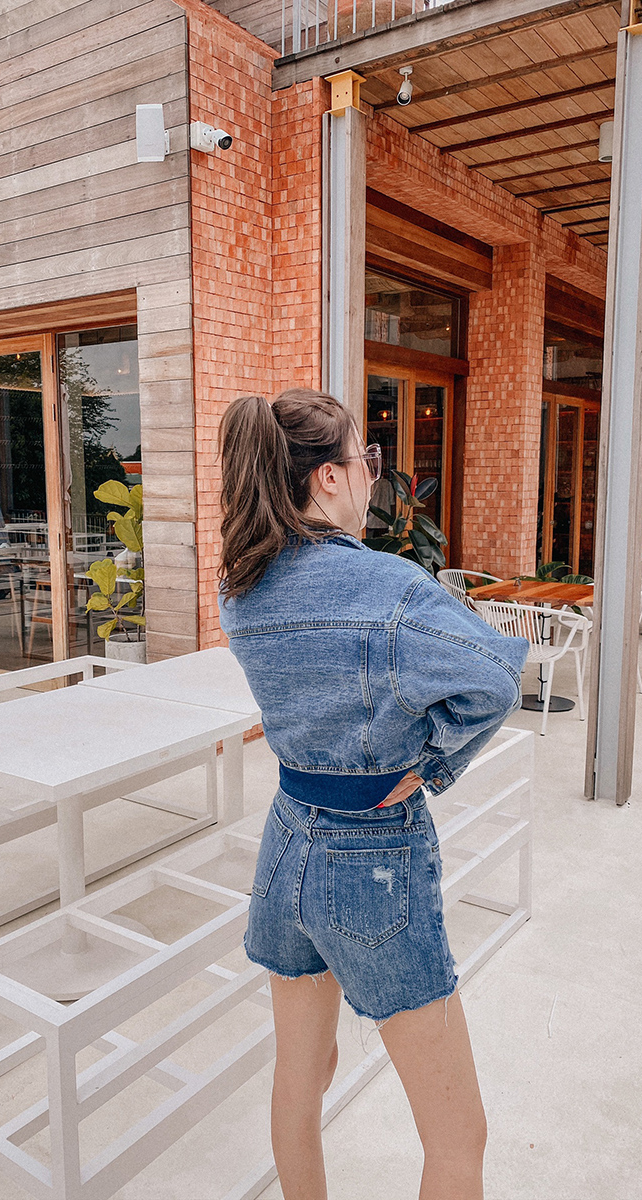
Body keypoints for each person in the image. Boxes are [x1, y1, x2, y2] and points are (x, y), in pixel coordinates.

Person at [218, 389, 529, 1200]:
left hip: (284, 847)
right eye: (369, 461)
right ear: (328, 477)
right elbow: (493, 679)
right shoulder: (389, 586)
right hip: (372, 859)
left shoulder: (242, 586)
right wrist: (430, 761)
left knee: (300, 1075)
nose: (372, 477)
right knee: (457, 1134)